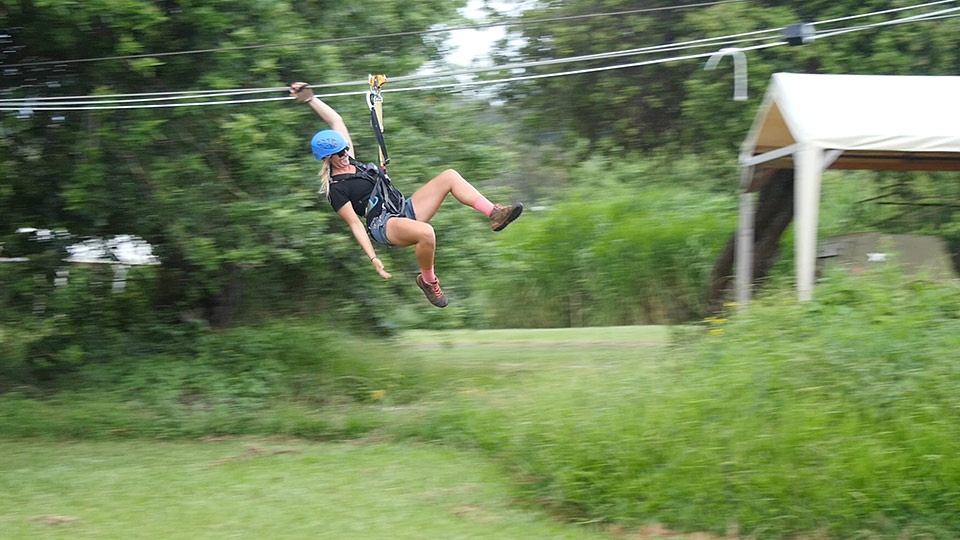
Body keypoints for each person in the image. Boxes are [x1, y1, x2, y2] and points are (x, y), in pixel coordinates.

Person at [290, 81, 523, 308]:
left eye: (344, 149)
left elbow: (335, 120)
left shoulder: (349, 158)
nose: (344, 154)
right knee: (427, 233)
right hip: (383, 224)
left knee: (450, 176)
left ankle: (494, 213)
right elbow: (355, 225)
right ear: (326, 157)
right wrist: (374, 259)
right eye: (338, 153)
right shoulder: (337, 189)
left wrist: (310, 98)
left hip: (401, 208)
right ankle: (428, 281)